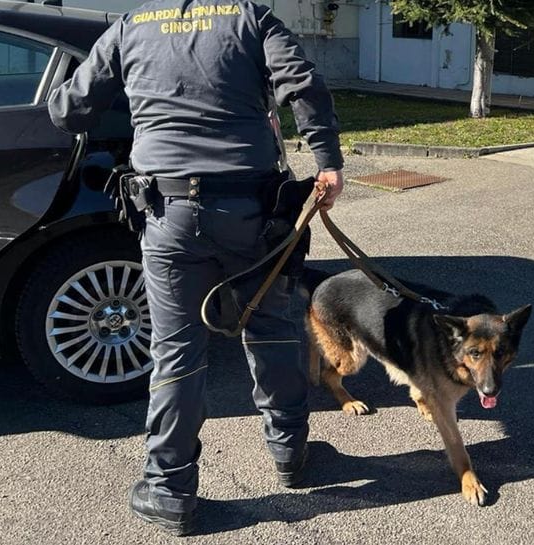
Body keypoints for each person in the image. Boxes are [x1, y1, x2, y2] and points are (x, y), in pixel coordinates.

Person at [48, 0, 344, 535]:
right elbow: (301, 83)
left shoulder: (131, 25)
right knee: (271, 327)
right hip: (253, 211)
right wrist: (328, 163)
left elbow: (70, 111)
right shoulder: (251, 18)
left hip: (168, 215)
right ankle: (288, 453)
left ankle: (168, 489)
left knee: (177, 350)